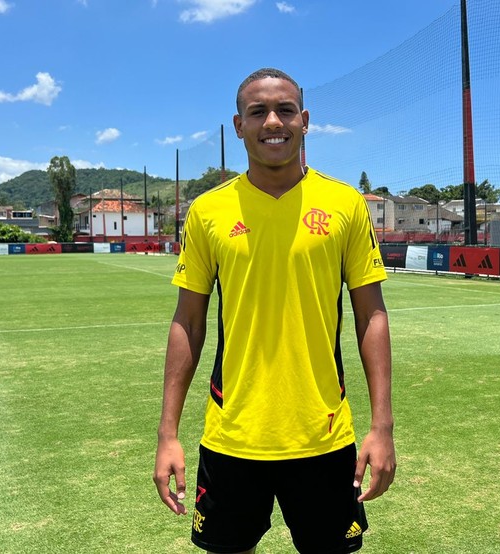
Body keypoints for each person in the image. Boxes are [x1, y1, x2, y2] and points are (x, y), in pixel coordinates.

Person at [153, 67, 396, 554]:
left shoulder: (345, 203)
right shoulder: (207, 212)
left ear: (304, 121)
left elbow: (372, 316)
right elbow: (189, 322)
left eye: (285, 110)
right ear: (238, 125)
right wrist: (168, 433)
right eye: (257, 111)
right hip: (232, 435)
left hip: (324, 436)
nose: (272, 122)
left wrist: (381, 427)